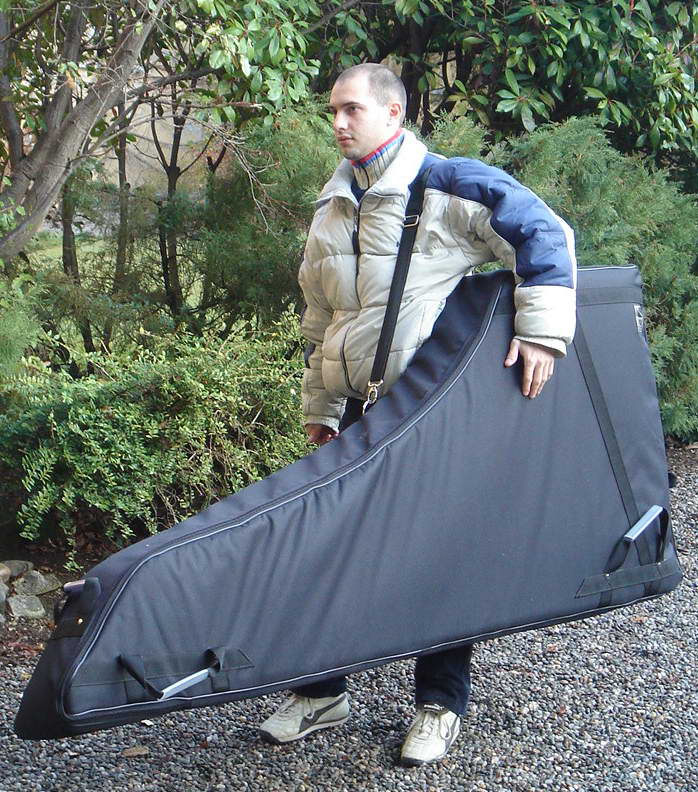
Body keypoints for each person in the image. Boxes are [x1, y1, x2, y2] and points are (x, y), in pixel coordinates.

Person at [258, 63, 577, 766]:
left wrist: (541, 333)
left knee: (439, 556)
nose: (338, 122)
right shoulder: (332, 206)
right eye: (332, 111)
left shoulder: (449, 186)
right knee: (331, 549)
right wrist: (322, 407)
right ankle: (321, 692)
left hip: (430, 410)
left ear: (393, 113)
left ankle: (440, 704)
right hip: (355, 415)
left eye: (352, 109)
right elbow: (322, 321)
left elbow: (543, 233)